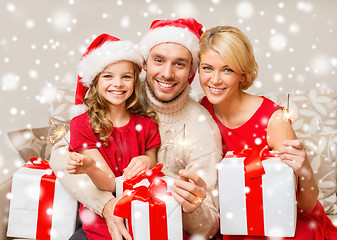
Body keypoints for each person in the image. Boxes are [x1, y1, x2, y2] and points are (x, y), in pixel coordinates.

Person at [50, 18, 223, 240]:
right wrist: (106, 205)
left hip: (162, 229)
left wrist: (192, 207)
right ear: (145, 62)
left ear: (191, 70)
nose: (167, 74)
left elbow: (207, 227)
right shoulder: (118, 93)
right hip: (103, 222)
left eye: (179, 63)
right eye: (158, 60)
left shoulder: (201, 127)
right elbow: (61, 154)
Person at [199, 26, 337, 239]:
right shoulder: (202, 110)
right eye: (207, 68)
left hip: (287, 218)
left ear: (242, 75)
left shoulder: (274, 120)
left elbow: (307, 205)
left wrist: (305, 168)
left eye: (227, 70)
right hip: (239, 217)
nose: (215, 80)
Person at [62, 33, 161, 240]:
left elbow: (152, 160)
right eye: (108, 76)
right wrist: (89, 167)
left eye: (126, 76)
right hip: (99, 225)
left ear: (135, 81)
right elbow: (109, 184)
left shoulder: (147, 124)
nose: (118, 83)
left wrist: (146, 159)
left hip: (142, 219)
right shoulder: (82, 125)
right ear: (95, 82)